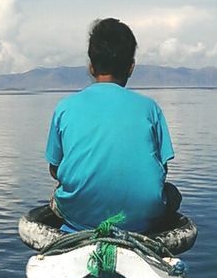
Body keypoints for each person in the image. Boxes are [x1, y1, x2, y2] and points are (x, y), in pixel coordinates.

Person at [45, 18, 181, 233]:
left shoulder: (65, 108)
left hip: (80, 216)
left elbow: (55, 169)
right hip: (141, 216)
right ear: (131, 68)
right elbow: (162, 169)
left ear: (91, 67)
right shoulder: (149, 108)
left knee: (58, 194)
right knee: (172, 194)